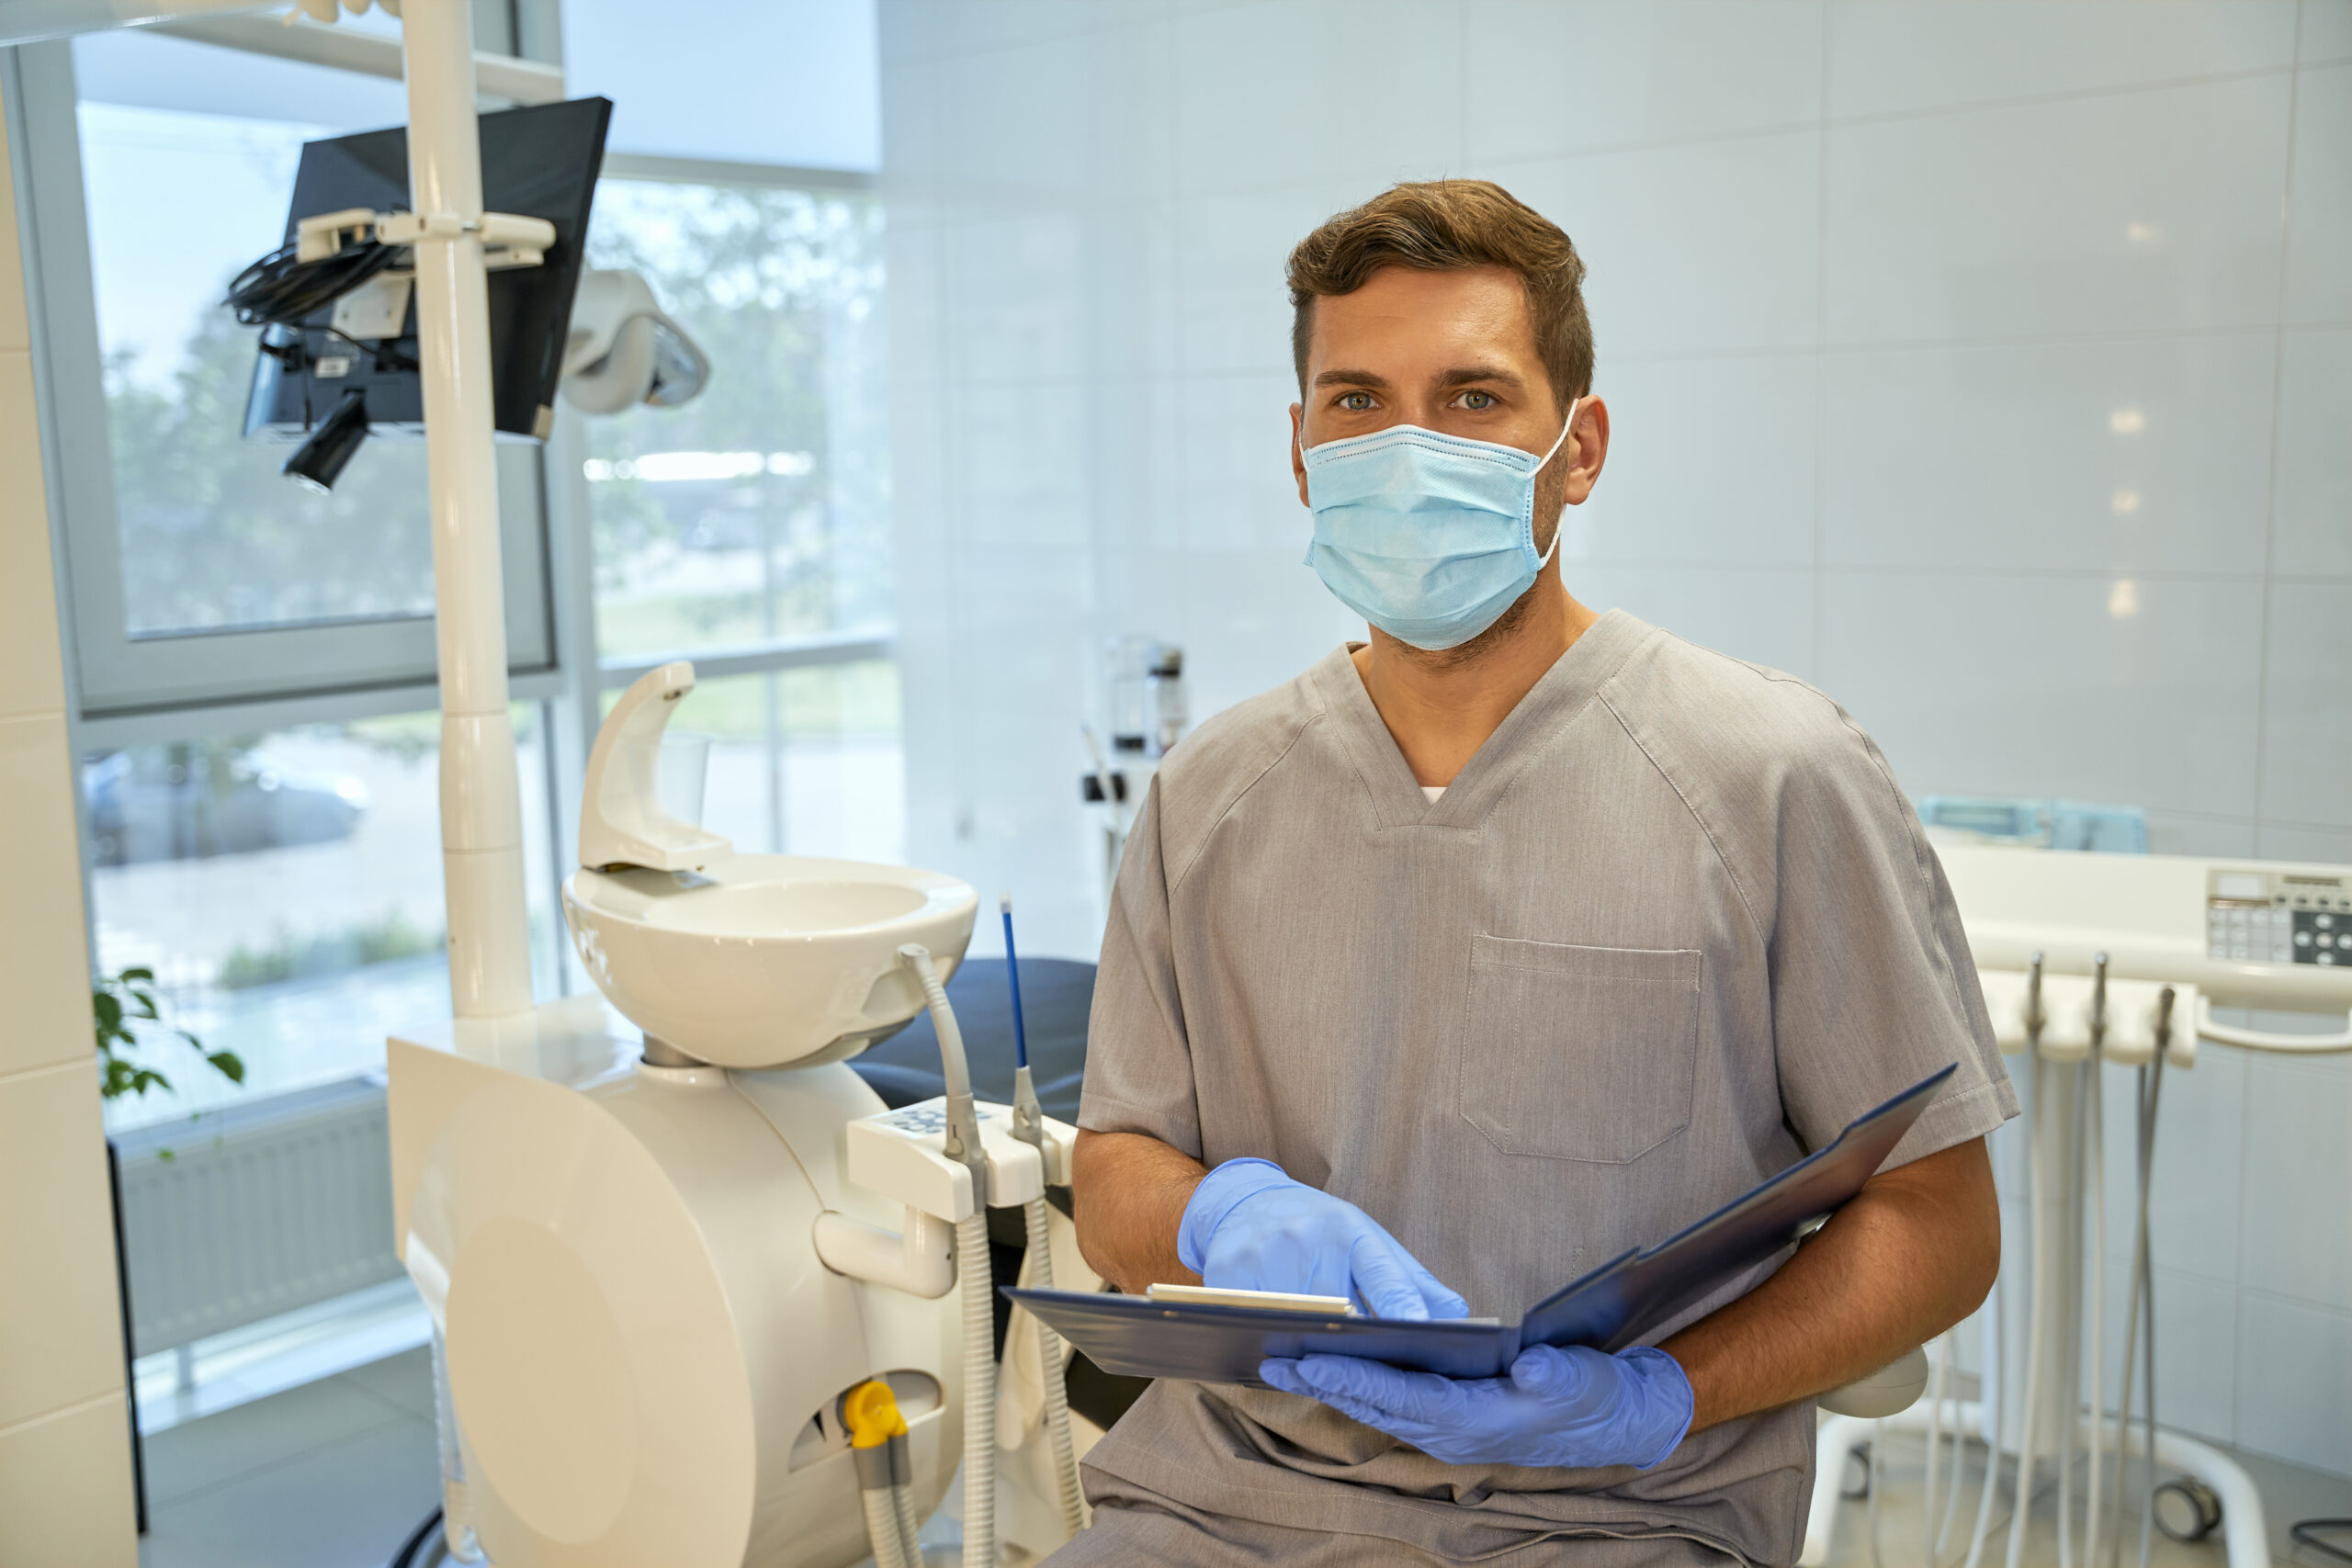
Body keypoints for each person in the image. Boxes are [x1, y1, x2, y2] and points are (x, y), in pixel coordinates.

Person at [1057, 179, 2017, 1567]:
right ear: (1300, 448)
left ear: (1580, 447)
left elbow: (1939, 1221)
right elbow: (1113, 1172)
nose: (1405, 448)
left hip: (1622, 1512)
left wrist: (1654, 1396)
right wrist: (1220, 1208)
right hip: (1224, 1504)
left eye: (1472, 398)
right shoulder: (1212, 794)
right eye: (1356, 402)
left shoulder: (1769, 775)